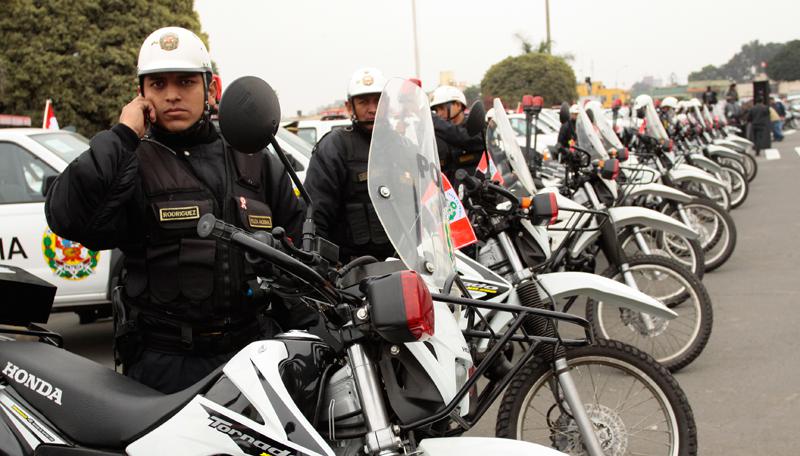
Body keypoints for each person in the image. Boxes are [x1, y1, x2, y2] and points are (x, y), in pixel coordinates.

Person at [44, 27, 305, 393]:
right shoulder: (130, 161)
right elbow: (67, 217)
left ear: (211, 89)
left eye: (185, 82)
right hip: (165, 365)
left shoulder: (255, 161)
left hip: (253, 353)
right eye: (158, 84)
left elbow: (302, 251)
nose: (171, 95)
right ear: (141, 94)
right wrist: (122, 135)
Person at [303, 68, 395, 263]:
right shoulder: (335, 147)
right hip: (353, 271)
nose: (372, 109)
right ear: (349, 106)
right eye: (363, 102)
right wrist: (327, 268)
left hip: (404, 267)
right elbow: (316, 216)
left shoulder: (402, 146)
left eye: (377, 101)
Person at [429, 85, 485, 183]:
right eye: (436, 110)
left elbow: (463, 138)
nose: (439, 114)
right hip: (446, 192)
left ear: (458, 105)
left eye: (442, 108)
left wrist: (434, 120)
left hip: (474, 190)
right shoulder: (438, 133)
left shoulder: (475, 126)